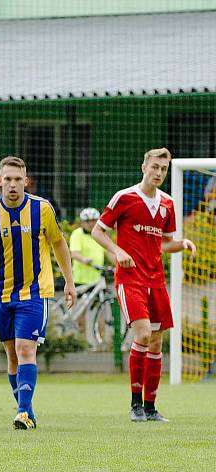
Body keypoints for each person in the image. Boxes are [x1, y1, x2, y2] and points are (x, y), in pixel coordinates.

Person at [0, 156, 76, 430]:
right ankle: (28, 412)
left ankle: (21, 411)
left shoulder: (42, 209)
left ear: (26, 181)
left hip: (35, 292)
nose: (12, 184)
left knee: (25, 348)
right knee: (11, 355)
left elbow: (59, 243)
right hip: (3, 294)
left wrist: (69, 282)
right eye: (7, 179)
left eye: (17, 179)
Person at [92, 148, 196, 423]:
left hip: (156, 280)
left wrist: (182, 244)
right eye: (155, 167)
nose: (159, 173)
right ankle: (135, 405)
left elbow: (165, 243)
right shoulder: (124, 198)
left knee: (156, 342)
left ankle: (150, 407)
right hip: (130, 280)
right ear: (144, 167)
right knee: (143, 335)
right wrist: (117, 251)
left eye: (163, 168)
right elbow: (97, 231)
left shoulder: (168, 204)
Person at [70, 207, 111, 286]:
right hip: (80, 280)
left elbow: (109, 252)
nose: (91, 224)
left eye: (93, 220)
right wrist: (84, 259)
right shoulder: (77, 234)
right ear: (82, 222)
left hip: (97, 279)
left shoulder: (101, 234)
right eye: (87, 221)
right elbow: (74, 254)